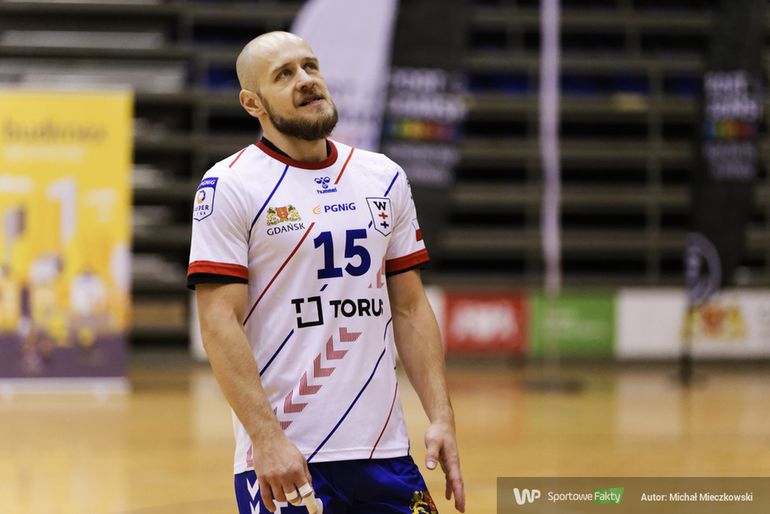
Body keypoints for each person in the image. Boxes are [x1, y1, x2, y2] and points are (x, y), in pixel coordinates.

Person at [188, 31, 464, 514]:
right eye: (284, 74)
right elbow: (218, 322)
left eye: (310, 66)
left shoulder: (383, 176)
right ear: (252, 103)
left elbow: (410, 307)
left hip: (384, 452)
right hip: (285, 458)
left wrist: (441, 416)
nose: (305, 80)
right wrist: (266, 439)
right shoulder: (229, 185)